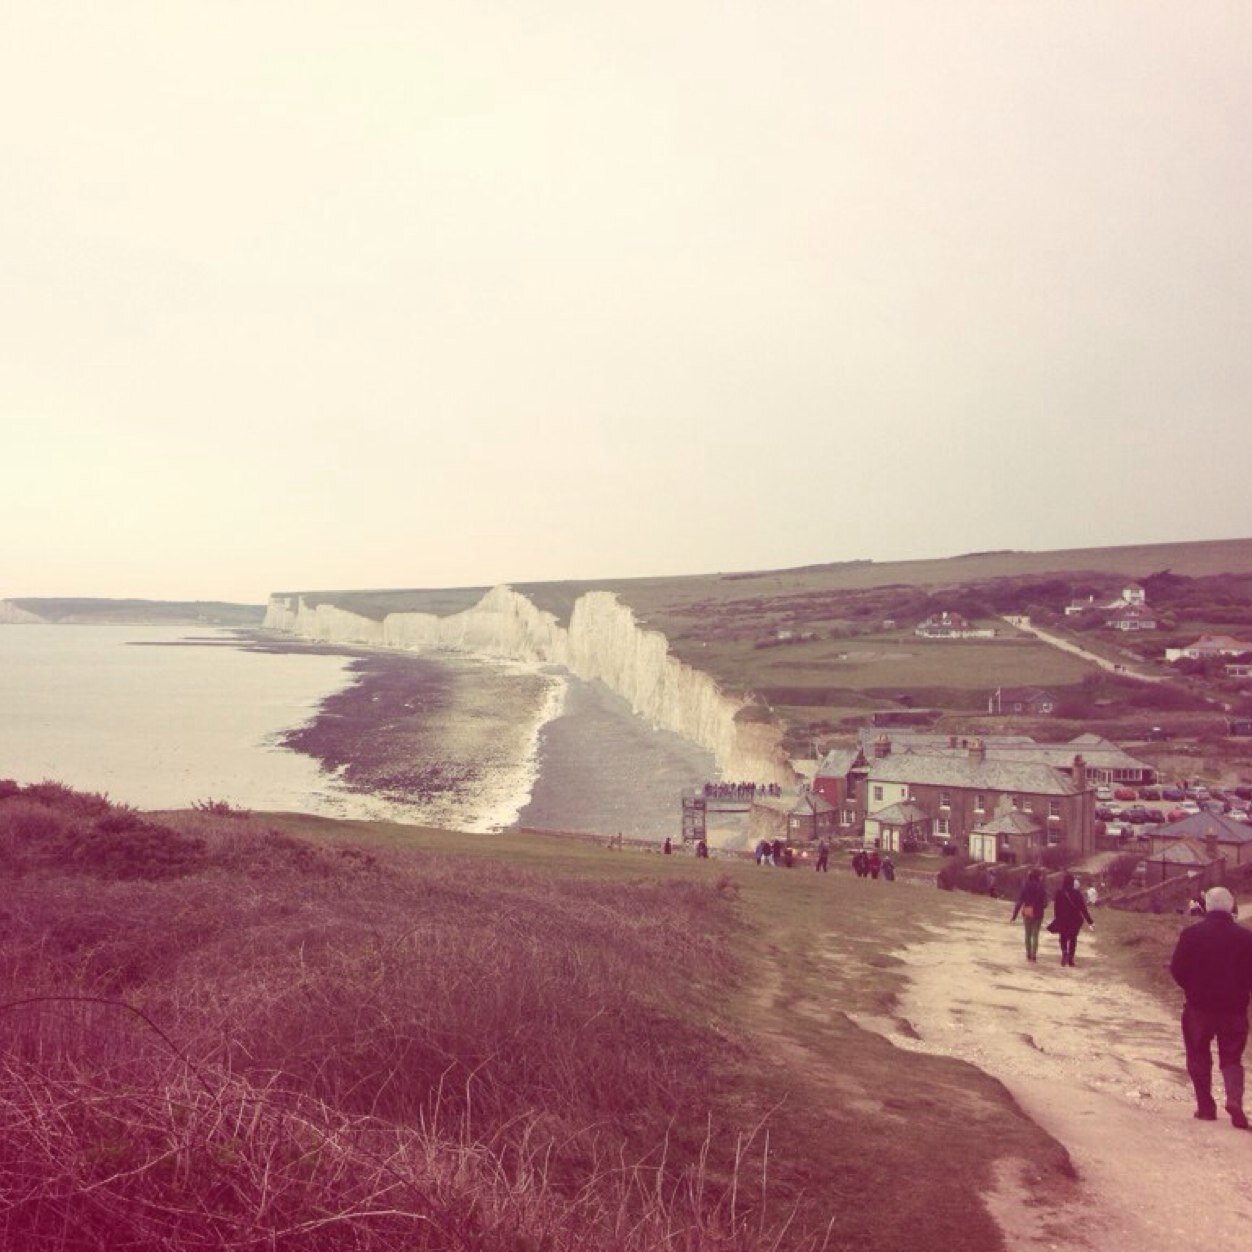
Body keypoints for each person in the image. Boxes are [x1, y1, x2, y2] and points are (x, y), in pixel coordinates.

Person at [1170, 886, 1252, 1129]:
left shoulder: (1191, 934)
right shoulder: (1247, 938)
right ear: (1231, 907)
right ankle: (1234, 1099)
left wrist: (1192, 989)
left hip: (1198, 1007)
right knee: (1232, 1058)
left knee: (1198, 1054)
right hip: (1234, 1009)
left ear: (1206, 906)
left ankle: (1206, 1108)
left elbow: (1177, 969)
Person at [1049, 874, 1094, 967]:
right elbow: (1083, 908)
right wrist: (1090, 921)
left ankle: (1064, 951)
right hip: (1075, 919)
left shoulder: (1059, 892)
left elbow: (1056, 907)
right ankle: (1071, 958)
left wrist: (1057, 918)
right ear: (1072, 882)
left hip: (1063, 918)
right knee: (1073, 939)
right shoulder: (1077, 893)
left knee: (1063, 937)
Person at [1010, 868, 1048, 963]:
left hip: (1027, 912)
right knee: (1035, 935)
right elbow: (1045, 903)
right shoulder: (1041, 887)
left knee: (1027, 934)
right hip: (1038, 913)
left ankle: (1028, 954)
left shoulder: (1025, 886)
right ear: (1038, 876)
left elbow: (1019, 901)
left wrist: (1014, 915)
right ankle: (1034, 955)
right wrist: (1040, 905)